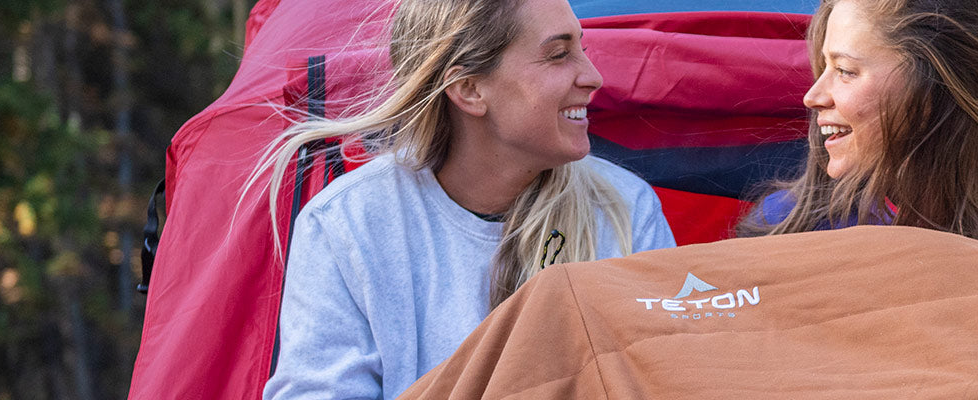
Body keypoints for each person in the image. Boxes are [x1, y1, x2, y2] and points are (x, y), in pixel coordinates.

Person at [251, 0, 676, 397]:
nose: (593, 76)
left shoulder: (624, 209)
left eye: (579, 48)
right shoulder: (347, 226)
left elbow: (667, 380)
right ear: (469, 89)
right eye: (558, 54)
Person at [743, 0, 978, 273]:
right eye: (823, 67)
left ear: (937, 88)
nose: (813, 97)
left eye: (845, 70)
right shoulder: (785, 227)